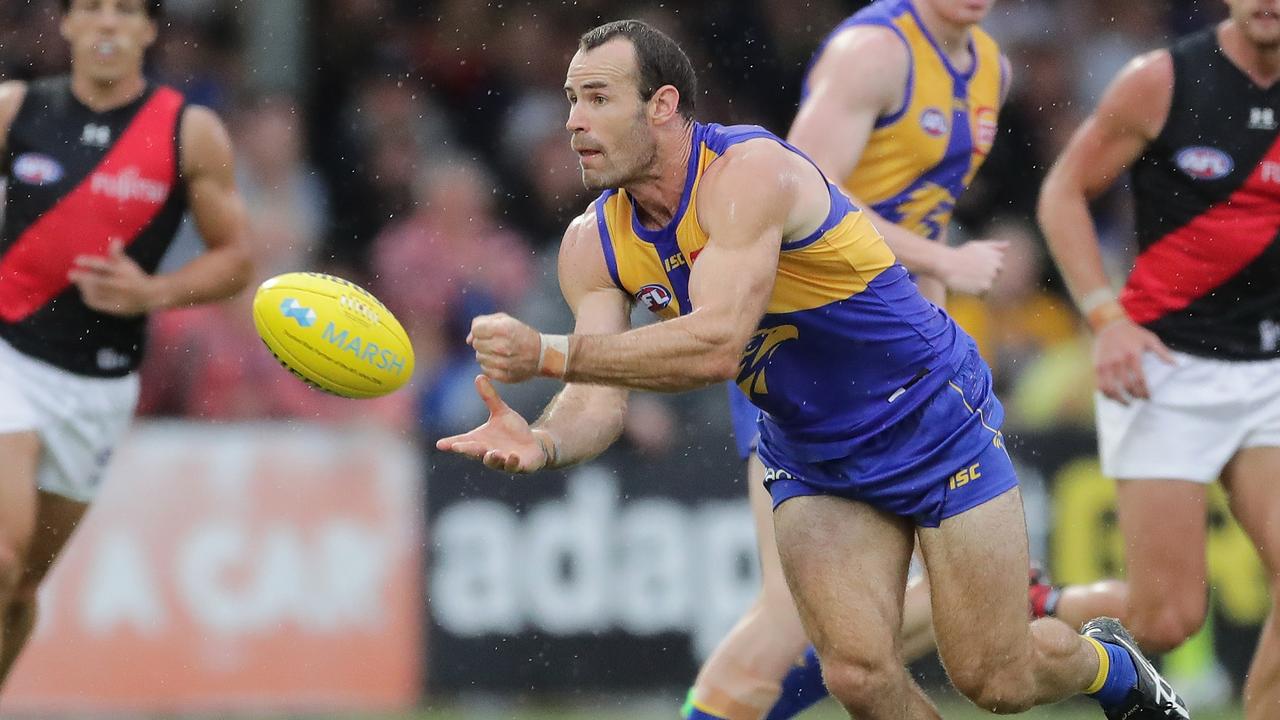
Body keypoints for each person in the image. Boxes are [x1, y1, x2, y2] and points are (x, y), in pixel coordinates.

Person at [438, 19, 1188, 720]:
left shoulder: (748, 171)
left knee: (995, 679)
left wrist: (546, 350)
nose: (573, 120)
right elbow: (595, 401)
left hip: (928, 412)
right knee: (857, 676)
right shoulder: (590, 244)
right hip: (811, 450)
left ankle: (1109, 668)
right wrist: (545, 442)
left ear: (662, 104)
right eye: (571, 99)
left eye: (598, 98)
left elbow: (718, 344)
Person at [691, 2, 1128, 717]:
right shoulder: (872, 54)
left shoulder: (991, 65)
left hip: (897, 358)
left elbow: (919, 207)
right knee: (797, 621)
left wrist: (925, 307)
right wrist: (939, 260)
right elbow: (796, 188)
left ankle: (1036, 612)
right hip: (801, 349)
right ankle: (1036, 604)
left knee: (884, 644)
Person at [1039, 1, 1280, 717]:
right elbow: (1061, 193)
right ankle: (1023, 618)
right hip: (1165, 367)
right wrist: (1106, 318)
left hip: (1268, 369)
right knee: (1168, 618)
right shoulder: (1163, 80)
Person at [0, 0, 250, 687]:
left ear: (146, 30)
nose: (107, 24)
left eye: (123, 12)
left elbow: (236, 260)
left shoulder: (188, 132)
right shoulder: (15, 109)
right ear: (69, 25)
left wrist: (153, 293)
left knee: (18, 591)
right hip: (9, 356)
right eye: (92, 10)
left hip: (100, 385)